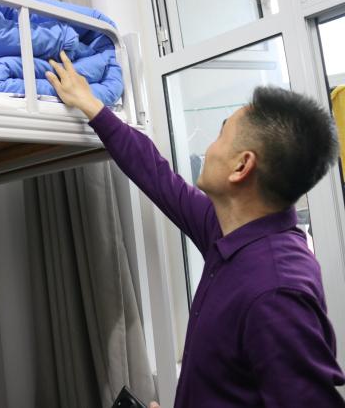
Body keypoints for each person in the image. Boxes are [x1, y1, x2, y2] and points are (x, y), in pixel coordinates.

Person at [45, 51, 345, 407]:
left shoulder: (275, 291)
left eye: (220, 136)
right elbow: (156, 176)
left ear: (242, 166)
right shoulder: (228, 230)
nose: (208, 148)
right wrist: (92, 106)